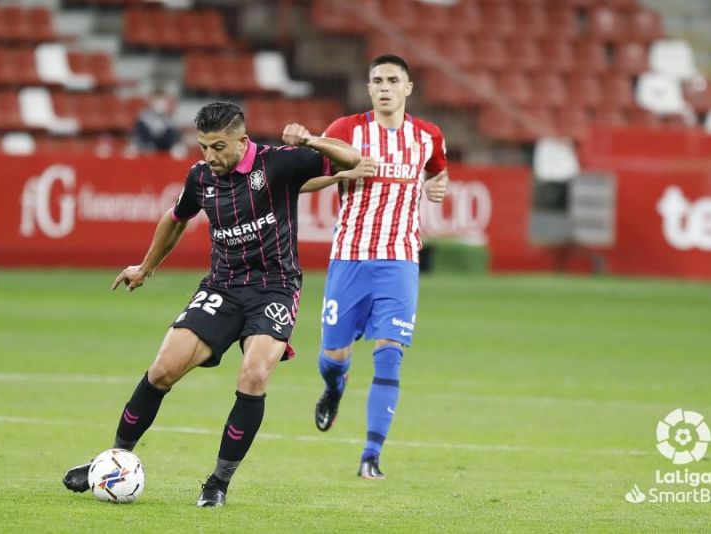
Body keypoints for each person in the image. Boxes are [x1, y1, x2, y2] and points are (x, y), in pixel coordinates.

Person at [62, 101, 362, 507]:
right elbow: (175, 218)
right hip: (223, 286)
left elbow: (352, 157)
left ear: (242, 140)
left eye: (218, 146)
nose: (209, 156)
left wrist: (311, 140)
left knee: (254, 376)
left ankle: (217, 483)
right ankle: (111, 460)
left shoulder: (279, 164)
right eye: (204, 146)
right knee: (163, 369)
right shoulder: (201, 177)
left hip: (275, 287)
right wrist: (146, 267)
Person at [300, 54, 449, 479]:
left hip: (400, 260)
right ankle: (334, 388)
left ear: (408, 88)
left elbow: (438, 171)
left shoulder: (428, 136)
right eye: (376, 80)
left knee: (389, 356)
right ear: (369, 89)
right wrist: (341, 176)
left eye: (392, 80)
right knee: (333, 356)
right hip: (349, 258)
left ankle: (371, 455)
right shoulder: (346, 131)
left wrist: (438, 187)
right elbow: (303, 181)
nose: (384, 87)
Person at [131, 89, 184, 156]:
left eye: (161, 100)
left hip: (164, 145)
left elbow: (173, 134)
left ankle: (174, 149)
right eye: (156, 100)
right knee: (141, 127)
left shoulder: (169, 118)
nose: (159, 103)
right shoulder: (143, 115)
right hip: (148, 144)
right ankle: (147, 147)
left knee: (172, 132)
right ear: (151, 101)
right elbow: (139, 133)